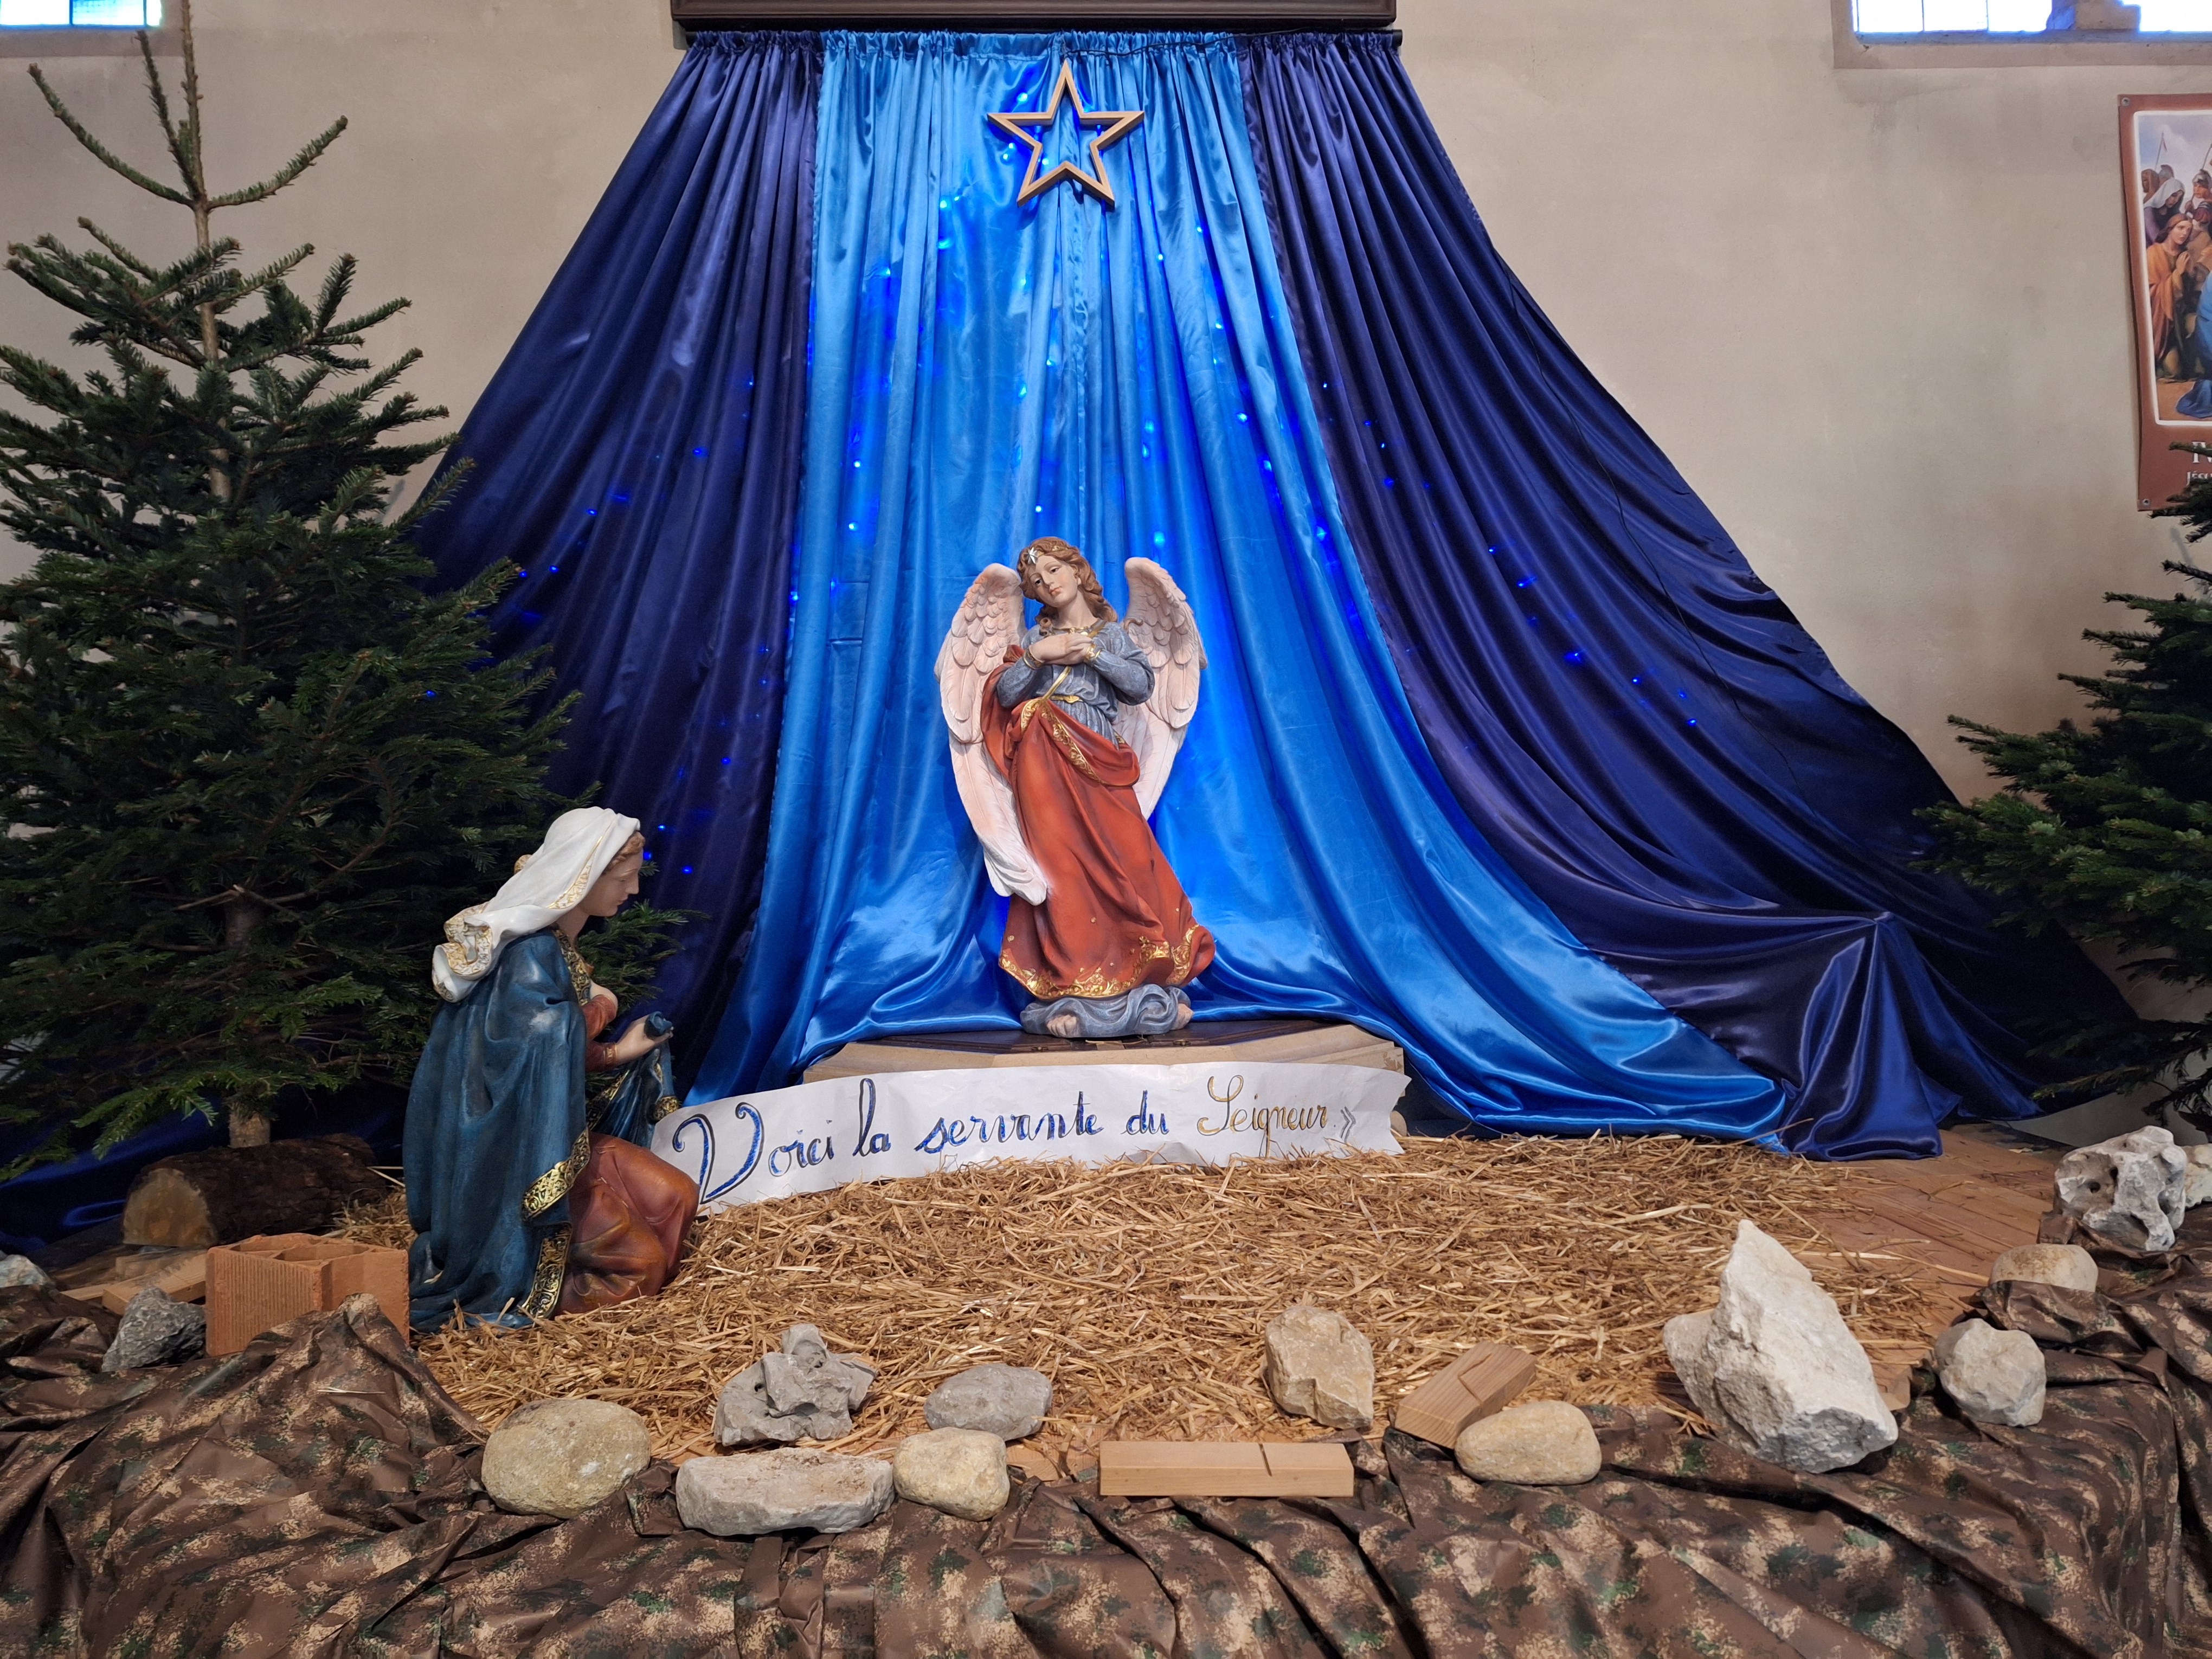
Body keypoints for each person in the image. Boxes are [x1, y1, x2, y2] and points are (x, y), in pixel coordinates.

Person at [404, 807, 698, 1330]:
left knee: (676, 1197)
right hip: (515, 1155)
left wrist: (622, 1053)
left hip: (556, 1136)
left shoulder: (555, 945)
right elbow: (540, 1038)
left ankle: (567, 1269)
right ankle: (540, 1293)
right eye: (623, 878)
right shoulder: (529, 952)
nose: (632, 891)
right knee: (642, 1266)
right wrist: (603, 1008)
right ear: (581, 876)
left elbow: (543, 1053)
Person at [982, 538, 1214, 1031]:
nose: (1048, 582)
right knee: (1061, 869)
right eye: (1037, 580)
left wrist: (1088, 652)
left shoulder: (1110, 636)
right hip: (1042, 765)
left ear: (1077, 569)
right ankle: (1071, 980)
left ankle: (1147, 968)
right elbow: (1004, 694)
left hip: (1100, 759)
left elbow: (1140, 685)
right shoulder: (1031, 640)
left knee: (1130, 858)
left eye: (1054, 569)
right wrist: (1040, 656)